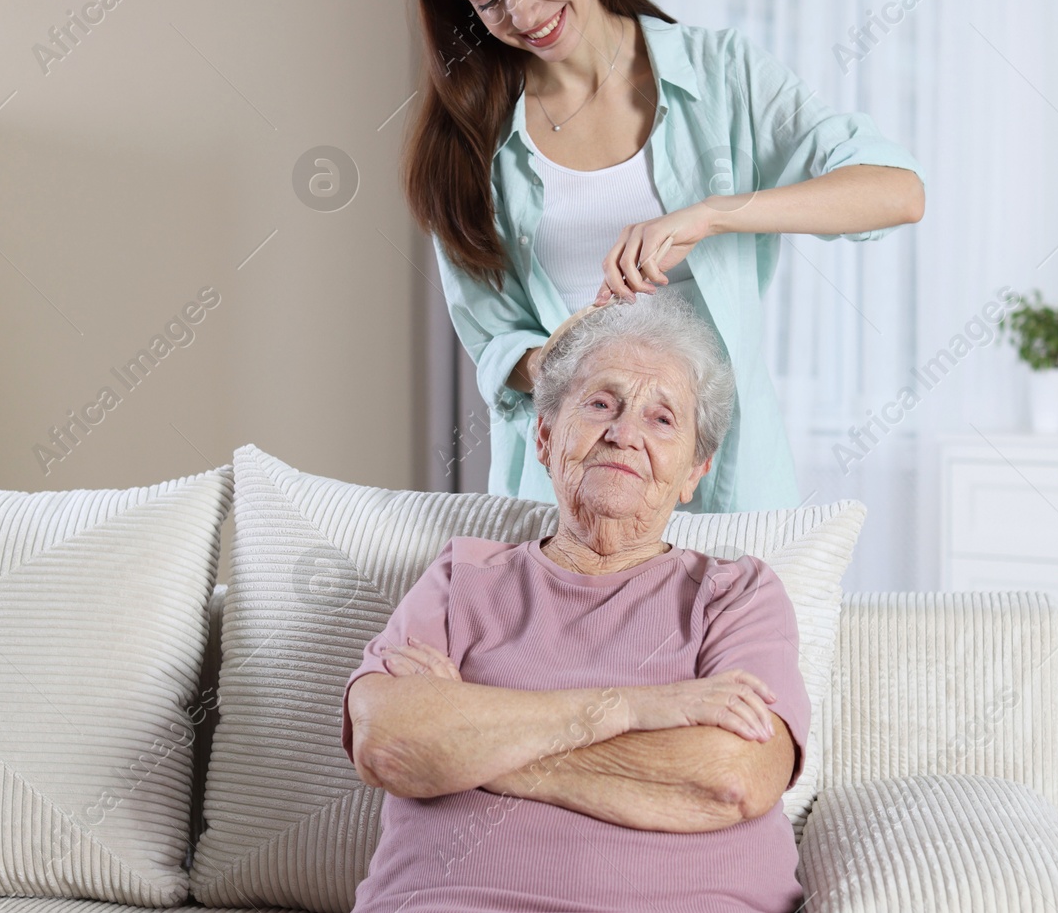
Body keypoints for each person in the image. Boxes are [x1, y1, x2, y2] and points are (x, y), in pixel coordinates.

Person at [403, 0, 925, 513]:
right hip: (567, 501)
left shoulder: (721, 74)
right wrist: (555, 357)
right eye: (490, 1)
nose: (526, 13)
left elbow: (898, 192)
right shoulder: (469, 141)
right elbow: (495, 341)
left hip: (727, 486)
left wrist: (710, 214)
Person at [342, 293, 810, 912]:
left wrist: (470, 746)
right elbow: (389, 740)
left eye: (662, 419)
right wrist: (634, 709)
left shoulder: (736, 594)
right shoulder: (464, 578)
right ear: (544, 436)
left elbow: (729, 778)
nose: (623, 434)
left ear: (695, 471)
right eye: (600, 404)